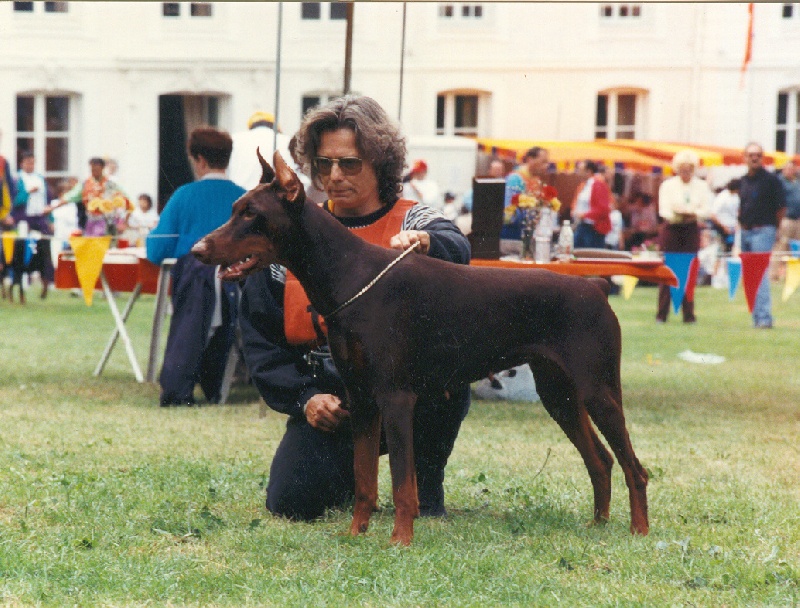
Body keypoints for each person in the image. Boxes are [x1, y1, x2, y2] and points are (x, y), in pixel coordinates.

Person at [238, 95, 471, 521]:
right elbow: (262, 341)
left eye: (349, 164)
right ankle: (353, 476)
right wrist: (306, 398)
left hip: (413, 394)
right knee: (291, 502)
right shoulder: (290, 235)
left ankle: (424, 480)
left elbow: (457, 247)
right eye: (323, 164)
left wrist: (428, 245)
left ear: (381, 163)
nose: (333, 176)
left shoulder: (414, 221)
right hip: (333, 397)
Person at [147, 127, 246, 406]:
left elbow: (157, 250)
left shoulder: (184, 196)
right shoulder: (244, 197)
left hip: (195, 286)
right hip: (236, 292)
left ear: (199, 159)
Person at [655, 149, 713, 323]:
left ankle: (689, 315)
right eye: (682, 168)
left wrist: (692, 214)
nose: (685, 172)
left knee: (689, 273)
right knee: (667, 273)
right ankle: (661, 314)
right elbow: (664, 210)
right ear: (677, 168)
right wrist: (678, 214)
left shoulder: (701, 186)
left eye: (689, 168)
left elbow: (705, 210)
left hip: (690, 231)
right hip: (671, 231)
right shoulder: (668, 185)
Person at [738, 142, 786, 329]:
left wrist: (775, 229)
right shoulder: (743, 181)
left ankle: (764, 318)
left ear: (762, 157)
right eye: (751, 155)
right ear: (745, 158)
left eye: (758, 154)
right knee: (750, 276)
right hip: (746, 230)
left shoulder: (771, 180)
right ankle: (757, 317)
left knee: (760, 273)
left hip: (763, 229)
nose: (754, 158)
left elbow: (781, 207)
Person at [14, 152, 54, 298]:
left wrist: (51, 219)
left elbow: (48, 200)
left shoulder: (40, 179)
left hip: (40, 219)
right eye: (27, 162)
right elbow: (15, 201)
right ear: (22, 164)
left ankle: (46, 284)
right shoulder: (17, 179)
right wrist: (27, 192)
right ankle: (21, 286)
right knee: (22, 252)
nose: (30, 165)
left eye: (32, 162)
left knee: (45, 250)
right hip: (25, 219)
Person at [49, 157, 126, 231]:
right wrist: (52, 207)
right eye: (92, 169)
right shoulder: (85, 184)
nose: (94, 172)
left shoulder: (110, 184)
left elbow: (124, 200)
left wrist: (122, 222)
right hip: (90, 220)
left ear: (102, 168)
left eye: (96, 169)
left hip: (107, 221)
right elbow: (70, 196)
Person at [228, 111, 293, 191]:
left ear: (251, 127)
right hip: (276, 199)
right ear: (276, 127)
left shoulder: (234, 139)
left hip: (240, 197)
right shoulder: (287, 141)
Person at [502, 146, 550, 256]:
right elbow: (509, 214)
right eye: (543, 162)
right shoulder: (515, 179)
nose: (546, 166)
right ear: (530, 159)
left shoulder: (536, 180)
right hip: (512, 237)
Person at [572, 160, 612, 249]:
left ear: (588, 171)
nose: (578, 172)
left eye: (580, 170)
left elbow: (603, 209)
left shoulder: (598, 184)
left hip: (593, 229)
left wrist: (584, 215)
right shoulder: (583, 185)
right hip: (582, 225)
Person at [773, 160, 800, 280]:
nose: (790, 171)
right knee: (781, 246)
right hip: (786, 219)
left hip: (797, 219)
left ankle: (791, 276)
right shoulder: (779, 182)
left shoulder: (796, 182)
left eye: (792, 168)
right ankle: (773, 274)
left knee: (794, 249)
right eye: (788, 168)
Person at [709, 178, 741, 253]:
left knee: (732, 250)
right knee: (721, 251)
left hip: (733, 228)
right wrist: (724, 227)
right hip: (722, 228)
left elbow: (738, 211)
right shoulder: (722, 197)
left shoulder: (736, 197)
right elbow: (713, 214)